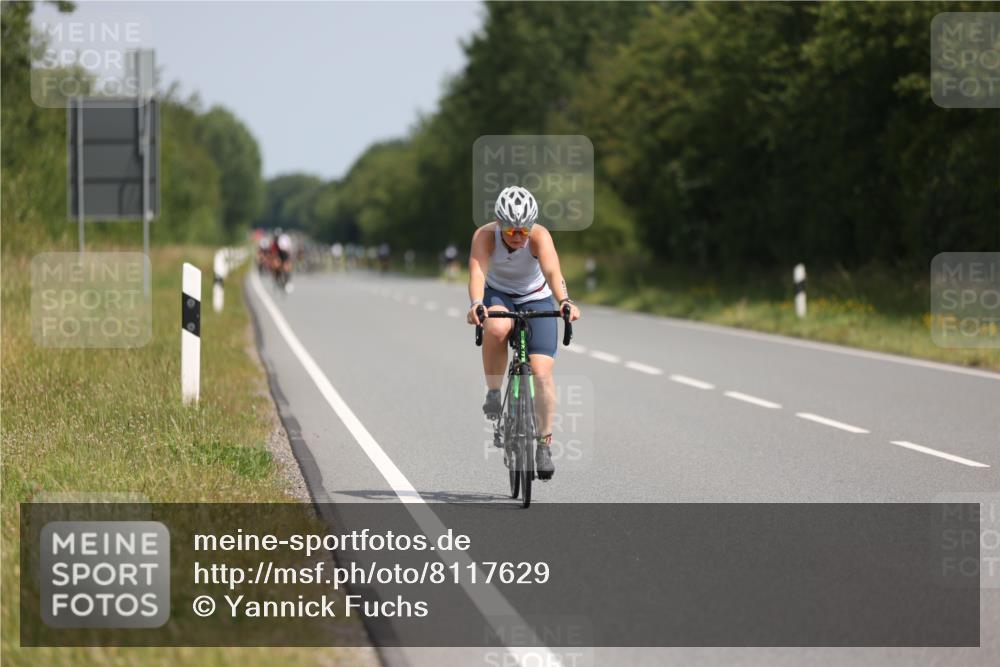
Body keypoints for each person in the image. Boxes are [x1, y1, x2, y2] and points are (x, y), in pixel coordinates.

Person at [466, 185, 581, 480]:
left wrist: (565, 301)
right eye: (511, 230)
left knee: (542, 374)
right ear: (499, 224)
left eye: (523, 230)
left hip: (536, 296)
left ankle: (543, 445)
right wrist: (477, 304)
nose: (518, 236)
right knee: (497, 325)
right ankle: (493, 390)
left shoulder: (539, 236)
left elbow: (554, 272)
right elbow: (478, 272)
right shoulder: (484, 235)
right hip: (499, 294)